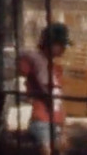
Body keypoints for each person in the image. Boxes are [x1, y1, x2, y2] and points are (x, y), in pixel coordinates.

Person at [18, 22, 72, 155]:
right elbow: (21, 58)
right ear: (51, 44)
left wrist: (64, 128)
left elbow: (59, 100)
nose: (64, 49)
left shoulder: (56, 69)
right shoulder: (36, 61)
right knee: (45, 150)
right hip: (42, 119)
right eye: (61, 45)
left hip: (56, 120)